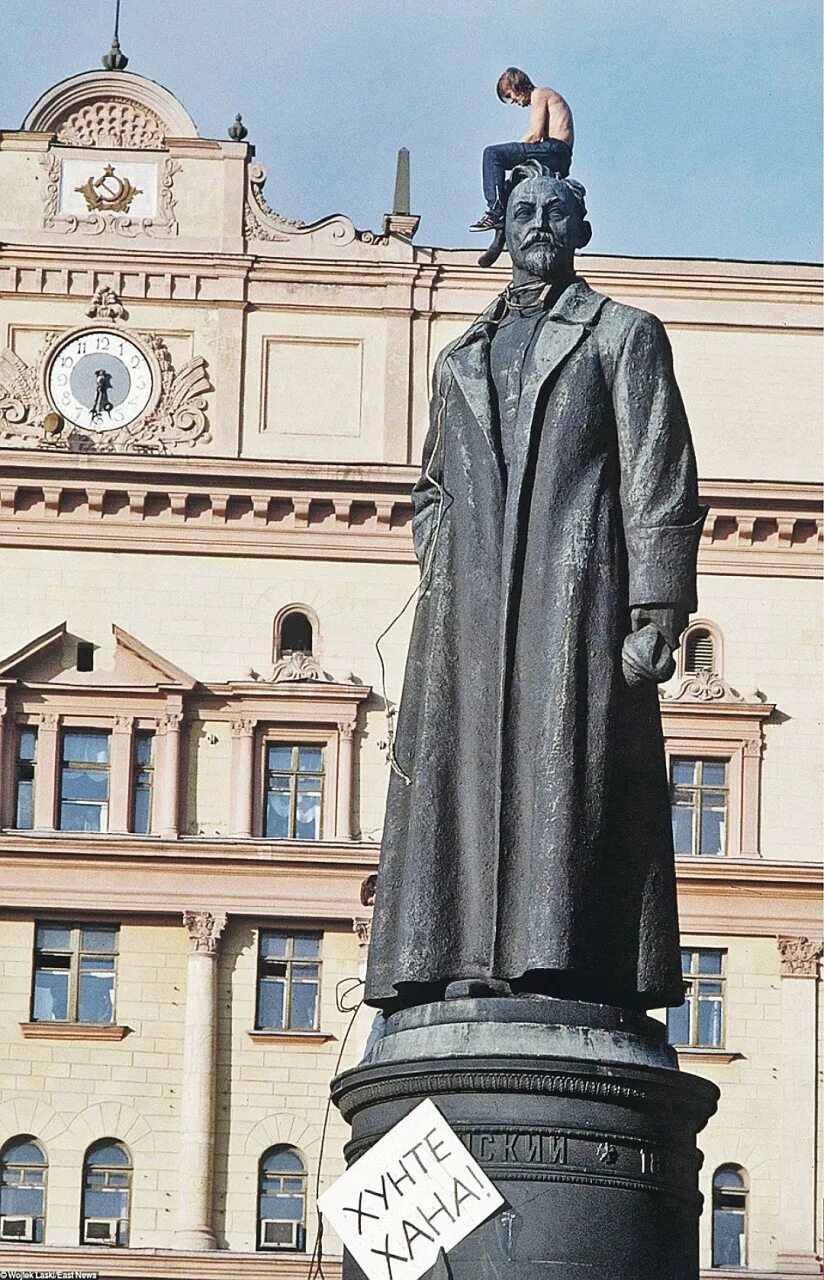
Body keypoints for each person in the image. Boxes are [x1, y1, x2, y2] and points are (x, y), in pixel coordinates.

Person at [366, 163, 705, 1015]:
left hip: (574, 598)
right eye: (523, 212)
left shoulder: (623, 335)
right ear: (500, 228)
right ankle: (459, 954)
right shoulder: (458, 359)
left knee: (568, 778)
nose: (540, 225)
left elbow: (660, 478)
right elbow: (432, 487)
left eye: (557, 212)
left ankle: (558, 961)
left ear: (579, 231)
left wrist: (656, 611)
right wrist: (447, 560)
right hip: (469, 613)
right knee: (464, 776)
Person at [470, 67, 574, 232]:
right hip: (560, 155)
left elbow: (535, 134)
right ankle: (502, 233)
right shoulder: (545, 96)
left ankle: (494, 212)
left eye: (510, 96)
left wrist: (514, 150)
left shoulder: (540, 94)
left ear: (516, 86)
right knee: (509, 185)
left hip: (554, 149)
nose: (513, 101)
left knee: (492, 154)